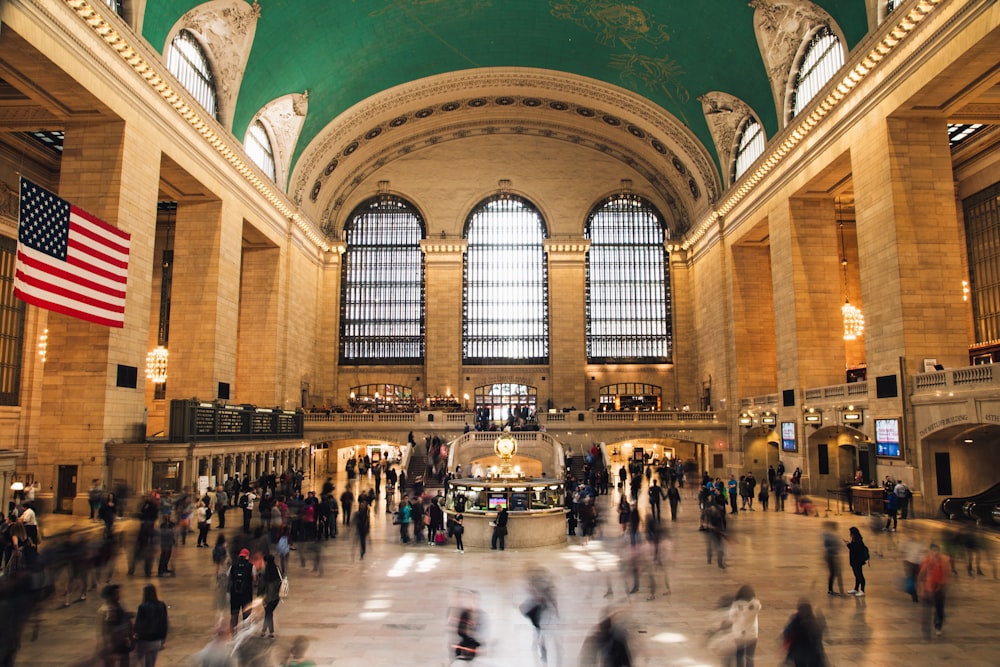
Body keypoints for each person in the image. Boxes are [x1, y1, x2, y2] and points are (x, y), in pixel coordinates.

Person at [918, 542, 951, 637]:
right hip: (928, 589)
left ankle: (938, 626)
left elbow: (947, 573)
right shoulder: (927, 561)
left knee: (939, 609)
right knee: (927, 611)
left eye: (937, 551)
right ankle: (926, 629)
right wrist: (921, 588)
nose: (935, 553)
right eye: (933, 551)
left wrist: (945, 584)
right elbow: (921, 574)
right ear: (930, 552)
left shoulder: (944, 560)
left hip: (940, 588)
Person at [782, 600, 826, 667]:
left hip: (807, 655)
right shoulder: (797, 621)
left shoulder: (799, 621)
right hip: (803, 655)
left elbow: (787, 633)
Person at [97, 584, 133, 667]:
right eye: (116, 594)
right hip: (113, 644)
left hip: (121, 642)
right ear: (110, 596)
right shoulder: (106, 611)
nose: (119, 596)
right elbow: (105, 630)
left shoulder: (118, 605)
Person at [133, 584, 168, 666]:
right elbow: (164, 623)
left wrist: (135, 634)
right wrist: (163, 639)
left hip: (145, 640)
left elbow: (139, 624)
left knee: (145, 663)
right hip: (157, 640)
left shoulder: (143, 607)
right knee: (152, 663)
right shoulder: (161, 605)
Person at [727, 584, 761, 667]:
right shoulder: (755, 604)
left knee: (739, 656)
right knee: (750, 657)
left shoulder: (736, 605)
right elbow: (759, 606)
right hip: (752, 634)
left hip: (739, 634)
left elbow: (731, 618)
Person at [229, 548, 256, 630]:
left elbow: (229, 578)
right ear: (247, 556)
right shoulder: (251, 566)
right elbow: (254, 579)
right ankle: (245, 632)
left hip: (234, 594)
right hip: (246, 594)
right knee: (246, 615)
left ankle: (233, 633)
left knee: (234, 615)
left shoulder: (233, 566)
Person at [258, 554, 282, 638]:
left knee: (268, 613)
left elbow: (261, 585)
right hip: (276, 597)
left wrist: (259, 596)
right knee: (269, 613)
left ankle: (267, 631)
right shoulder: (277, 569)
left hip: (267, 597)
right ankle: (267, 631)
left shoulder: (264, 572)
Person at [822, 522, 844, 596]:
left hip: (832, 556)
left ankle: (832, 590)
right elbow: (830, 547)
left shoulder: (830, 535)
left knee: (834, 573)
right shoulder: (830, 535)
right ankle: (836, 591)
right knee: (835, 573)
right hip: (831, 556)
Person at [846, 526, 869, 596]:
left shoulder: (858, 541)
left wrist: (848, 545)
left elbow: (855, 550)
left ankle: (862, 590)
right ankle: (856, 588)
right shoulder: (854, 540)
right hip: (854, 561)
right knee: (856, 575)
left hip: (857, 561)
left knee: (860, 575)